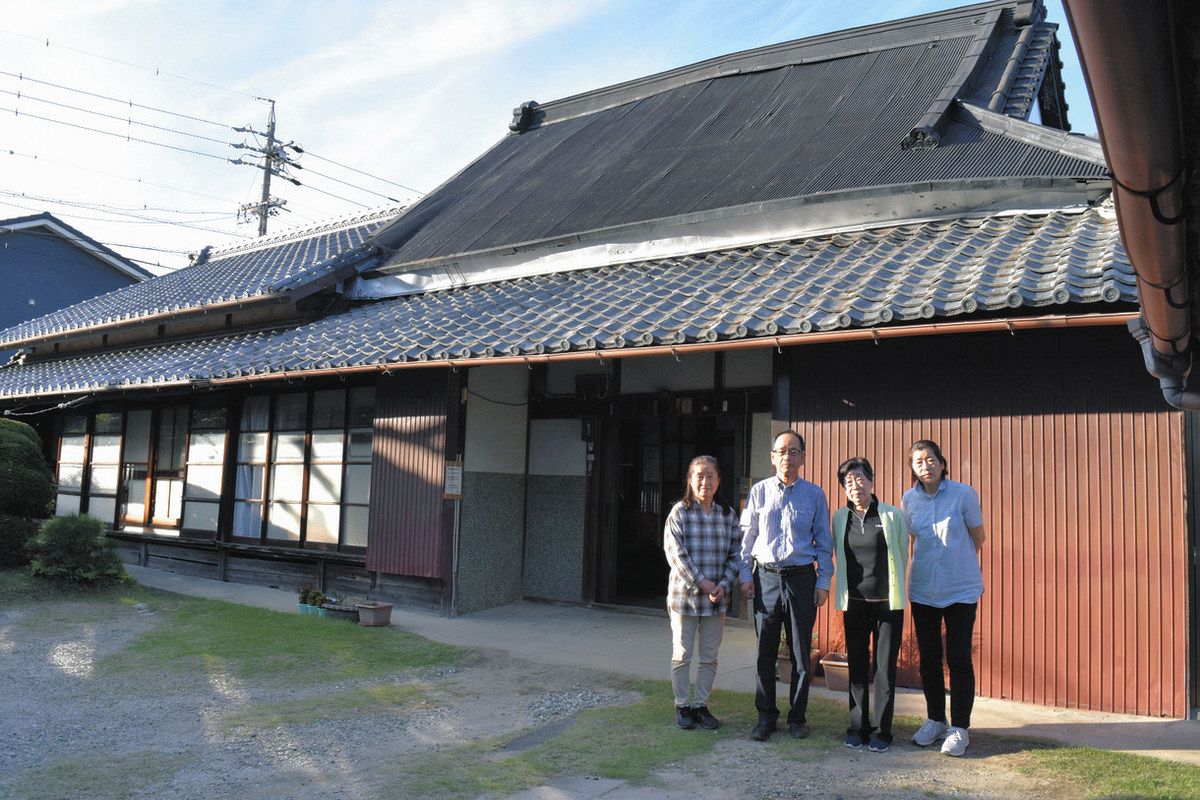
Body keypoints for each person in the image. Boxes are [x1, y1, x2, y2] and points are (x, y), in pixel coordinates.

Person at [739, 430, 833, 741]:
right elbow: (746, 537)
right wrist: (744, 575)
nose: (787, 457)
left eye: (794, 451)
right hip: (764, 577)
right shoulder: (759, 492)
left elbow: (824, 542)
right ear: (772, 457)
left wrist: (823, 582)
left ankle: (797, 717)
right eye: (781, 451)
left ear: (803, 457)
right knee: (765, 652)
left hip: (801, 578)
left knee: (800, 654)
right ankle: (766, 716)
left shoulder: (815, 494)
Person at [903, 439, 986, 757]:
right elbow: (912, 540)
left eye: (931, 459)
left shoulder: (963, 494)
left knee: (959, 658)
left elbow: (978, 537)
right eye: (919, 461)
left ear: (942, 461)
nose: (926, 465)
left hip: (960, 590)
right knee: (928, 659)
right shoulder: (908, 499)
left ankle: (959, 728)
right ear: (913, 468)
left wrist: (953, 562)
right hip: (923, 589)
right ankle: (935, 720)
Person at [831, 457, 908, 753]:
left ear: (871, 481)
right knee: (858, 667)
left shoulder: (891, 516)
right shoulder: (840, 518)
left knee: (885, 669)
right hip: (856, 605)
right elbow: (840, 553)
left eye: (860, 479)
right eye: (848, 482)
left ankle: (883, 731)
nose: (855, 486)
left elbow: (901, 554)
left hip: (888, 606)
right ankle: (857, 726)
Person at [663, 455, 741, 730]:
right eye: (699, 475)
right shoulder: (679, 513)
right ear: (689, 480)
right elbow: (676, 556)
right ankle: (682, 705)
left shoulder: (727, 515)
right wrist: (703, 583)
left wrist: (723, 584)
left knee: (709, 656)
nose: (705, 481)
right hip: (684, 598)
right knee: (682, 654)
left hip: (716, 599)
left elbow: (737, 555)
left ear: (719, 481)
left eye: (710, 476)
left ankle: (701, 706)